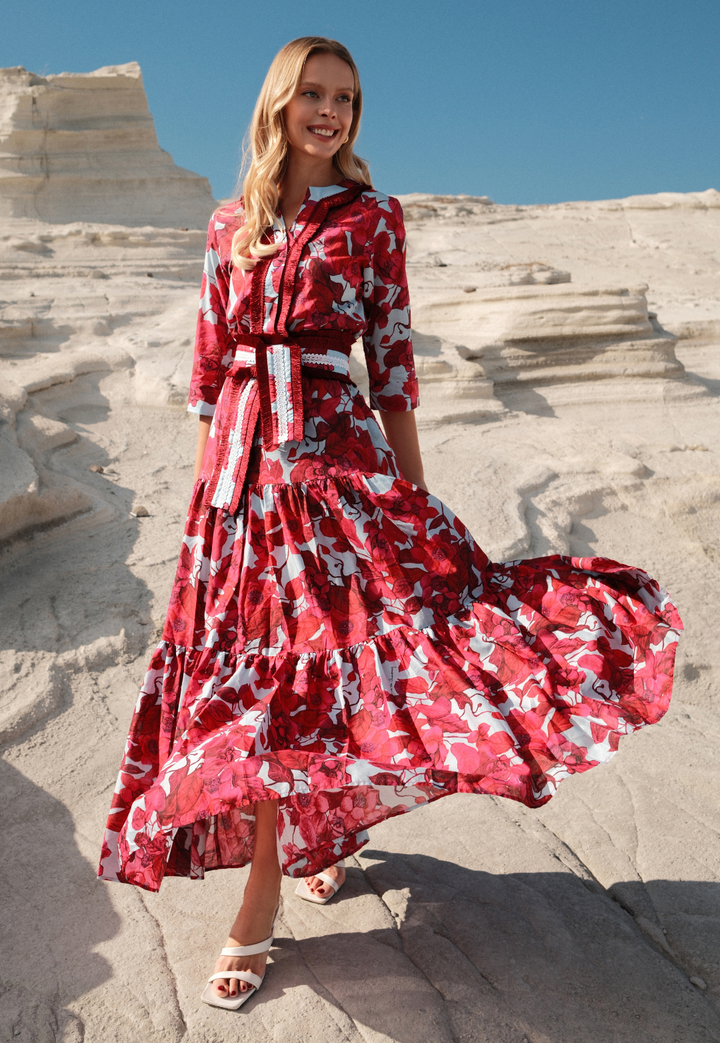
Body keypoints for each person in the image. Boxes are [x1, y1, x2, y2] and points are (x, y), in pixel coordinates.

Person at [98, 36, 682, 1010]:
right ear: (281, 102)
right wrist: (209, 512)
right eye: (315, 94)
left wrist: (413, 498)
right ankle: (315, 829)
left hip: (337, 463)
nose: (331, 112)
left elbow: (394, 364)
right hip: (242, 477)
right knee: (265, 678)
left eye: (348, 99)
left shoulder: (372, 219)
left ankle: (262, 894)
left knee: (340, 663)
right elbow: (210, 377)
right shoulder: (227, 226)